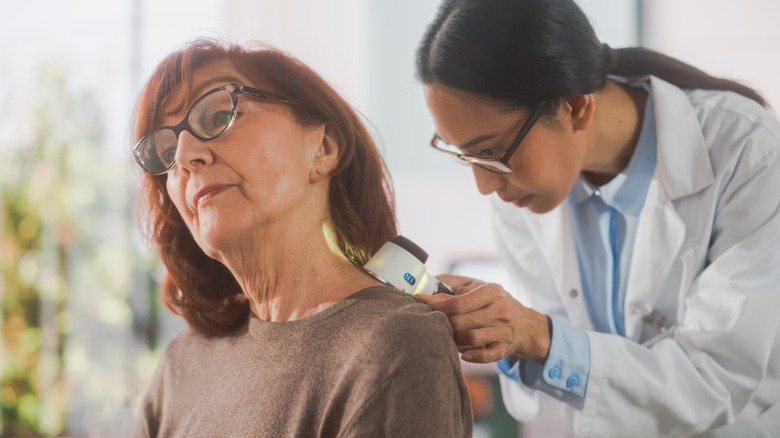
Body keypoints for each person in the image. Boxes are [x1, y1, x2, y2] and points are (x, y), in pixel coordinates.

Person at [414, 0, 780, 436]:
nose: (485, 186)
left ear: (575, 107)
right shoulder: (523, 191)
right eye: (465, 155)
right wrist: (502, 332)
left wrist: (536, 334)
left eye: (490, 153)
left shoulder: (748, 153)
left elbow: (715, 379)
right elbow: (561, 375)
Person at [131, 38, 472, 437]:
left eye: (219, 114)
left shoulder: (396, 345)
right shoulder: (180, 366)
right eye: (166, 151)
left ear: (323, 149)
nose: (186, 156)